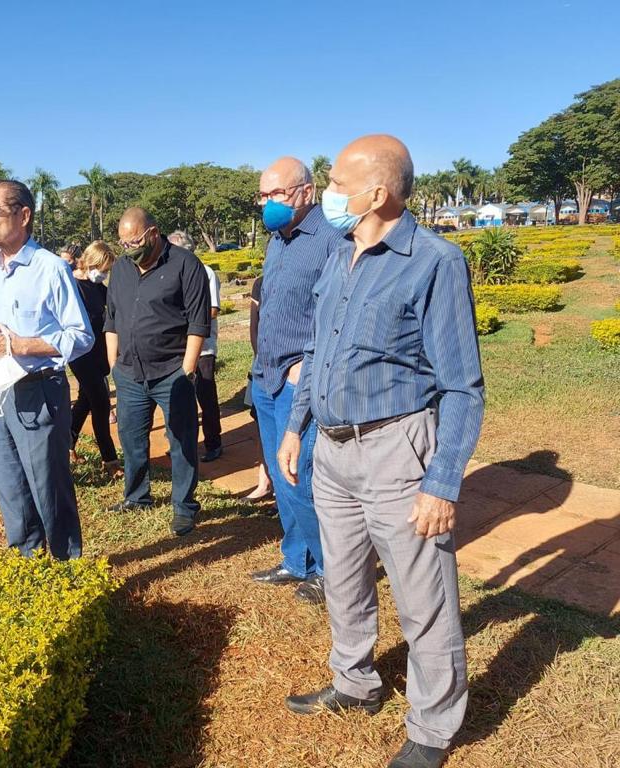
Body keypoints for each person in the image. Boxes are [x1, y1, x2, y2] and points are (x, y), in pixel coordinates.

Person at [279, 135, 485, 768]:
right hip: (333, 451)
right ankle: (355, 681)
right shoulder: (340, 254)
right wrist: (296, 425)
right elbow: (319, 350)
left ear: (378, 192)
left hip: (398, 450)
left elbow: (462, 386)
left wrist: (442, 482)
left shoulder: (433, 262)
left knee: (424, 598)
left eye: (338, 183)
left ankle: (432, 728)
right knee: (343, 579)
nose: (327, 194)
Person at [0, 180, 93, 560]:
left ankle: (68, 566)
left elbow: (81, 336)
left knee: (49, 488)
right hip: (3, 393)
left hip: (39, 391)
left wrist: (17, 345)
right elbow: (7, 328)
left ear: (23, 215)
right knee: (11, 488)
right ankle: (30, 563)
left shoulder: (49, 268)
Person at [249, 157, 338, 604]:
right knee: (279, 477)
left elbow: (339, 312)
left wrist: (313, 363)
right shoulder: (276, 240)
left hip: (297, 379)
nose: (268, 204)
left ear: (306, 191)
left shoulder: (330, 238)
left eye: (277, 194)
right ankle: (296, 559)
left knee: (297, 476)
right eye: (263, 196)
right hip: (265, 376)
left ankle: (331, 570)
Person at [105, 208, 210, 537]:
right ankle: (137, 496)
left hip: (171, 371)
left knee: (181, 440)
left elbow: (198, 324)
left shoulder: (184, 264)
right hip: (128, 372)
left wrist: (186, 372)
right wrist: (113, 367)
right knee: (131, 438)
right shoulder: (121, 268)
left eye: (134, 241)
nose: (128, 248)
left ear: (153, 233)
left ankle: (184, 506)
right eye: (123, 243)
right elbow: (111, 320)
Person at [168, 230, 222, 463]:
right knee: (179, 399)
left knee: (206, 397)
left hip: (203, 348)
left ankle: (213, 443)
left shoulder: (205, 272)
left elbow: (212, 309)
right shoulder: (172, 273)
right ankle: (181, 445)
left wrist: (181, 318)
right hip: (178, 348)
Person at [69, 240, 120, 473]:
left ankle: (67, 443)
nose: (104, 274)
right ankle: (109, 459)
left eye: (107, 271)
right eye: (103, 269)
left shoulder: (99, 288)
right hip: (80, 352)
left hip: (99, 350)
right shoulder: (71, 285)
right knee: (100, 402)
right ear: (90, 262)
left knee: (85, 400)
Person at [245, 275, 273, 501]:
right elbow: (254, 326)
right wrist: (259, 357)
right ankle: (264, 482)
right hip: (262, 366)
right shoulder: (260, 283)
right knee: (261, 426)